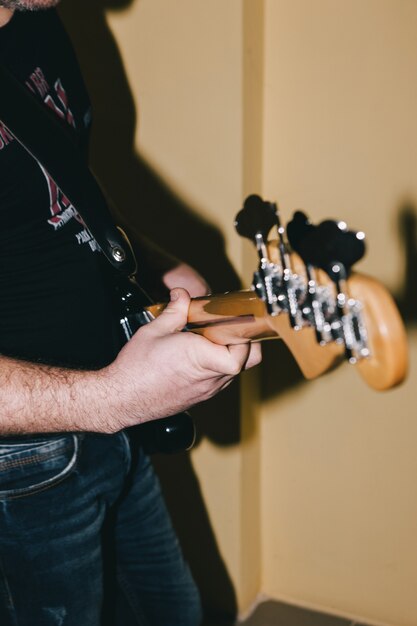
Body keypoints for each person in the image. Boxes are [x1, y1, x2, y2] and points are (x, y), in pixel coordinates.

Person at [0, 1, 261, 624]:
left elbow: (52, 196)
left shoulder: (36, 19)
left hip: (115, 412)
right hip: (23, 466)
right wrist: (111, 398)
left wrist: (154, 263)